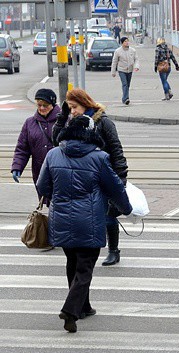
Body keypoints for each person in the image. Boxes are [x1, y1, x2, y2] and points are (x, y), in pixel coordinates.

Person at [36, 115, 132, 333]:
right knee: (85, 266)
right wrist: (126, 208)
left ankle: (84, 306)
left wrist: (59, 198)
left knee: (72, 262)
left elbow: (42, 186)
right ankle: (71, 310)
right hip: (88, 220)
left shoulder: (53, 154)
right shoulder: (99, 158)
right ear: (91, 133)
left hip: (61, 218)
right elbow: (115, 187)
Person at [53, 89, 130, 267]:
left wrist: (121, 181)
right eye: (70, 107)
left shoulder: (103, 122)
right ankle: (89, 249)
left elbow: (117, 152)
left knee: (109, 215)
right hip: (84, 178)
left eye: (74, 107)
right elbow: (57, 141)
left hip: (104, 175)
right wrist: (62, 116)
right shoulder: (72, 122)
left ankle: (113, 250)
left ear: (85, 103)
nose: (72, 111)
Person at [11, 89, 60, 200]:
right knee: (45, 202)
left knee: (59, 205)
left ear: (52, 104)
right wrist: (17, 167)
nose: (42, 108)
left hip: (60, 171)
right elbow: (22, 149)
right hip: (40, 172)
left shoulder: (63, 121)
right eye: (39, 105)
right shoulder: (30, 123)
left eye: (45, 105)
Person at [111, 36, 140, 106]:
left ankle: (125, 97)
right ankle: (125, 99)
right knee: (125, 84)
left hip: (130, 70)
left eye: (127, 41)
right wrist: (113, 72)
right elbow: (114, 61)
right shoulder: (118, 51)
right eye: (125, 41)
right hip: (121, 70)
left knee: (128, 85)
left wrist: (136, 66)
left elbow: (136, 59)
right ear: (122, 43)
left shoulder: (132, 50)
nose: (127, 43)